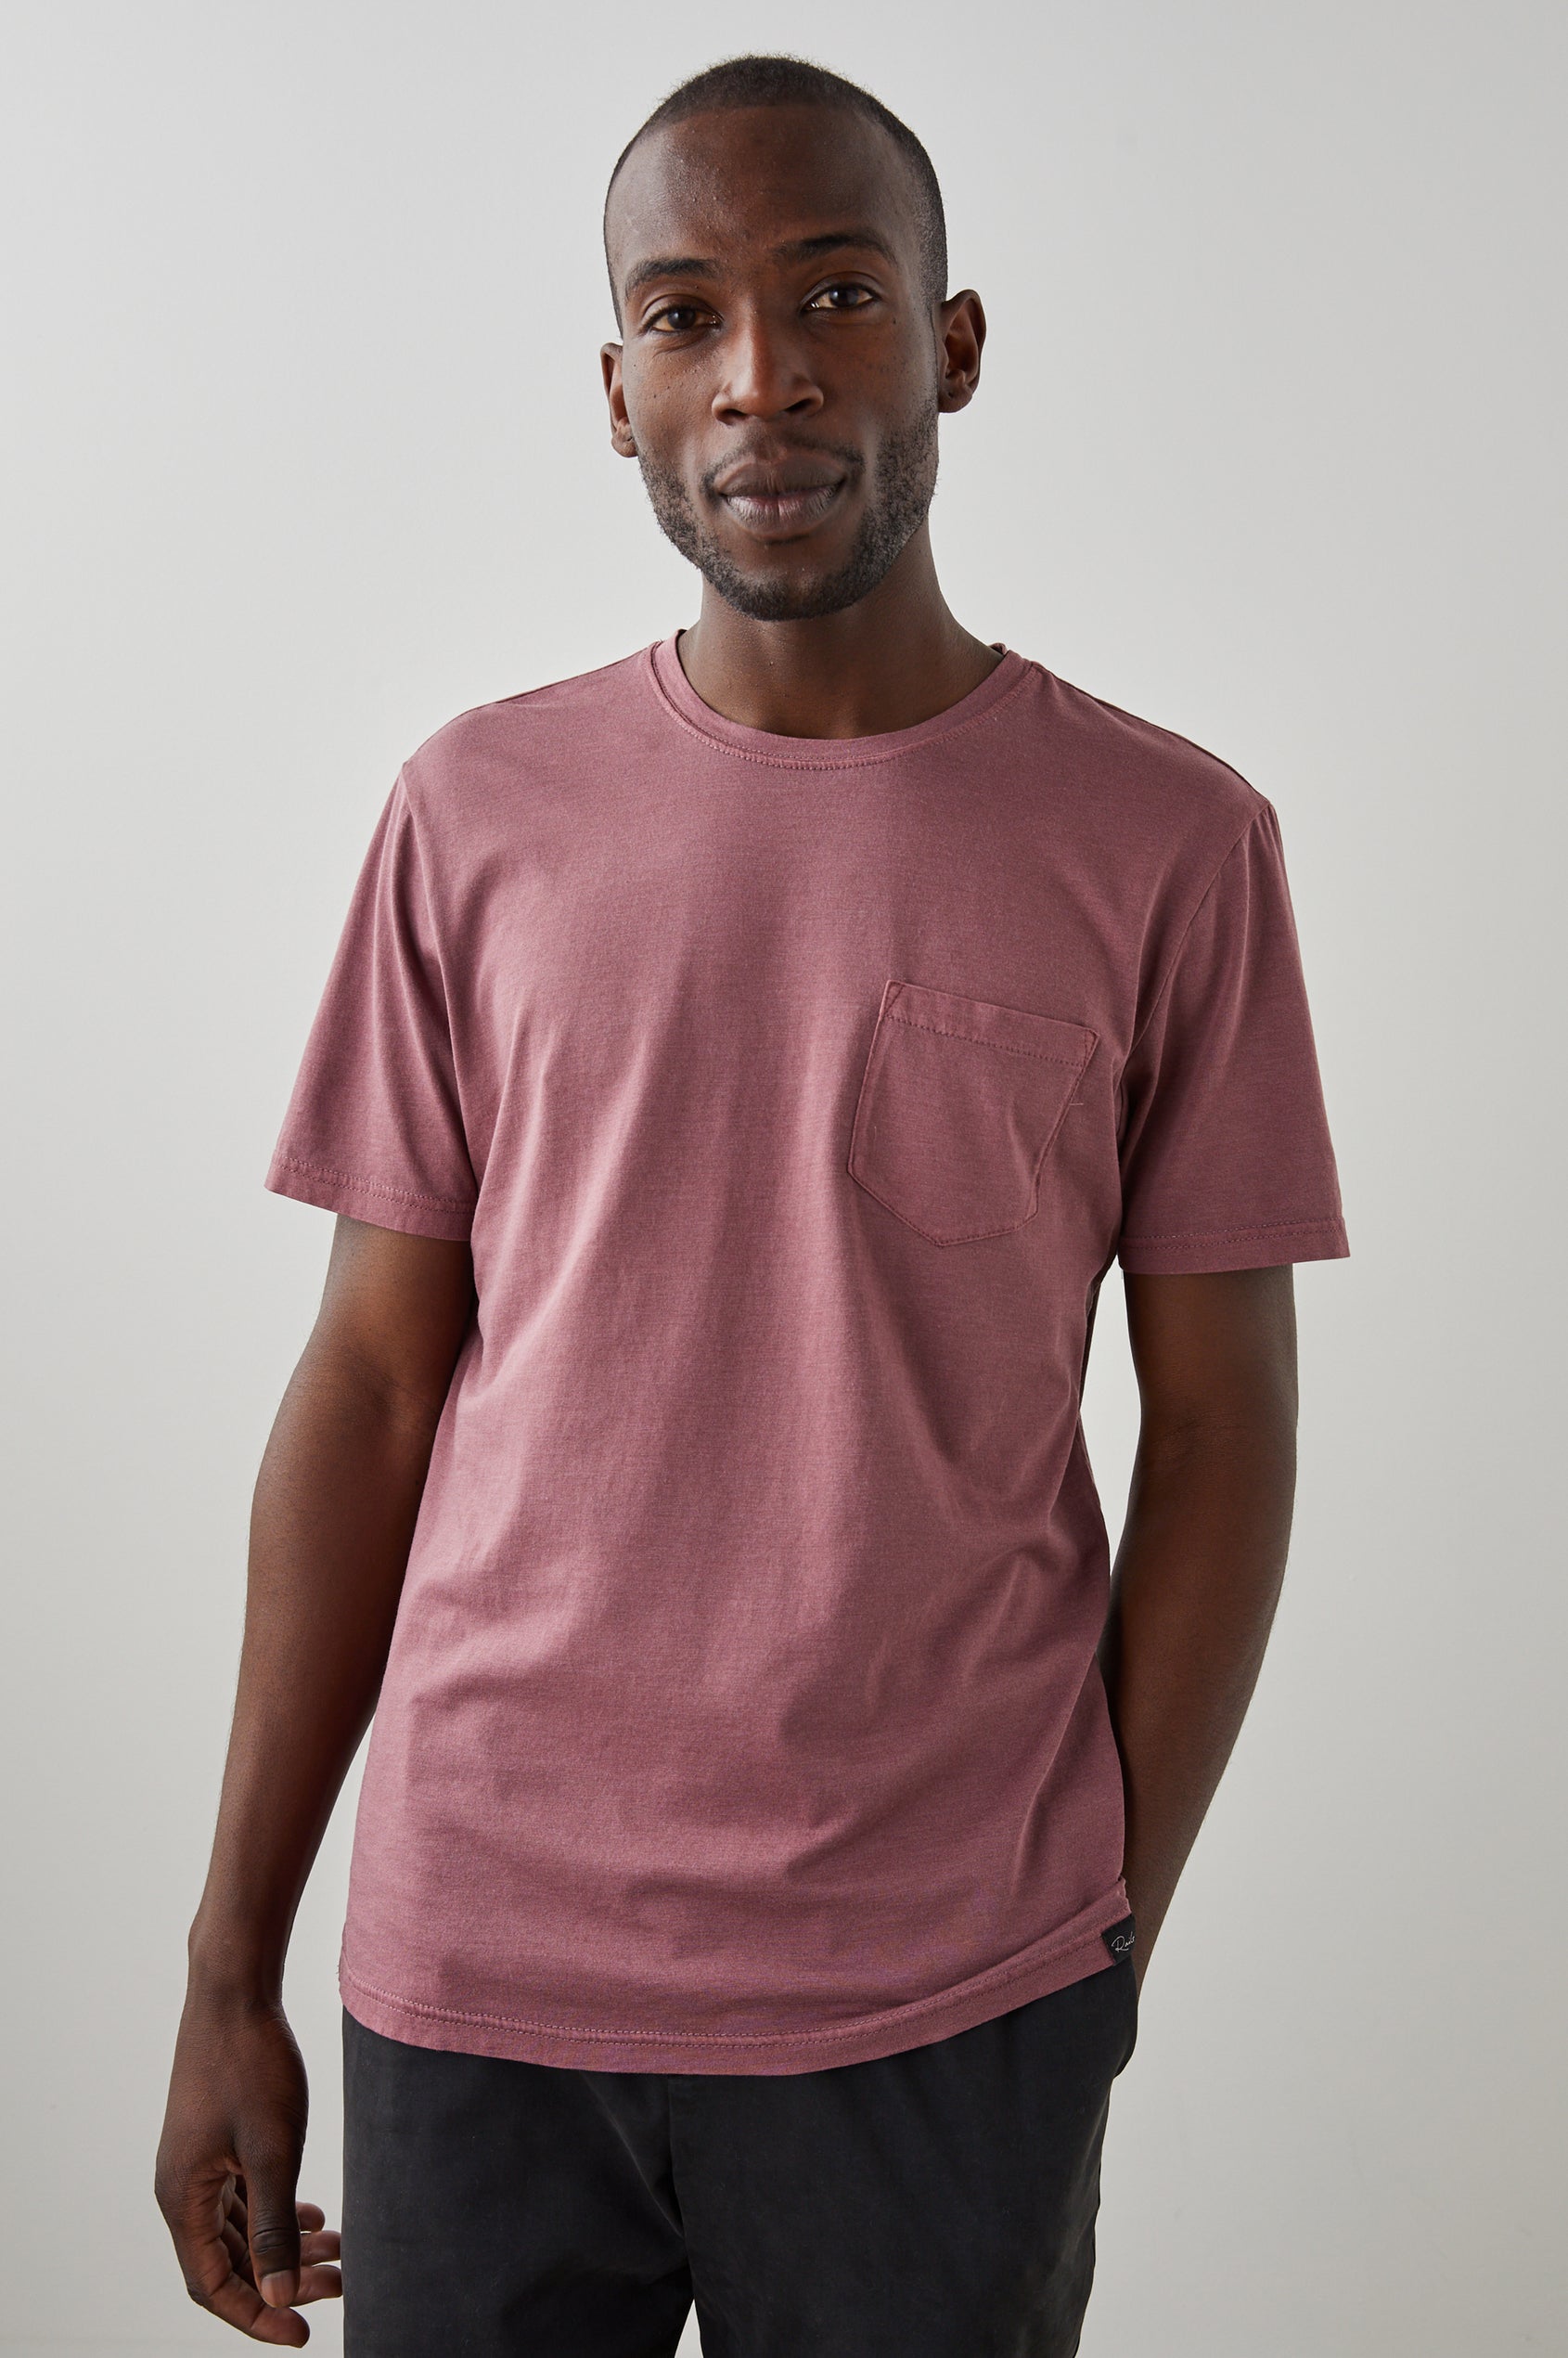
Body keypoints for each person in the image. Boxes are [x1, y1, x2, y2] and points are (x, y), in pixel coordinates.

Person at [155, 52, 1348, 2357]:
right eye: (685, 315)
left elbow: (1219, 1423)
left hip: (949, 1983)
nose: (760, 377)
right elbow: (371, 1383)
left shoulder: (1166, 844)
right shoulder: (473, 815)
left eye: (835, 297)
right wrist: (231, 1958)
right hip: (479, 1970)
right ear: (614, 391)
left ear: (953, 344)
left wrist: (1101, 1925)